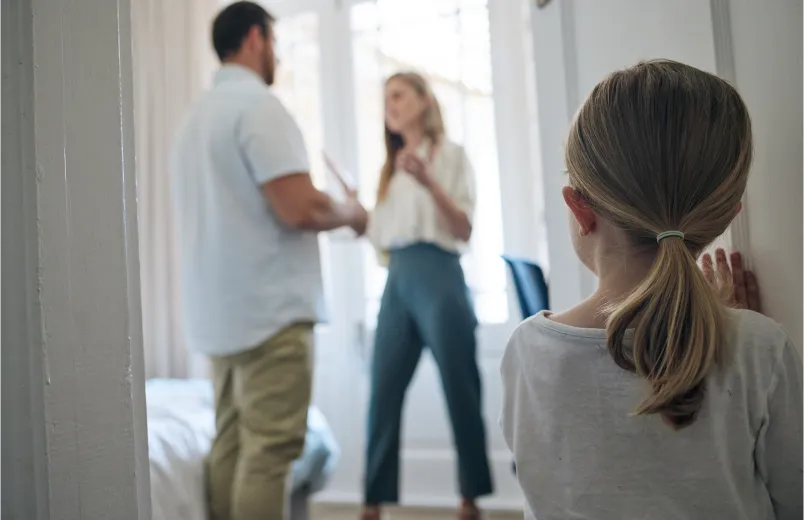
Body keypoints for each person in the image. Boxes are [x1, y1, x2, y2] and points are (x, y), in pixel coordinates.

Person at [500, 60, 804, 520]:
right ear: (727, 214)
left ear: (579, 210)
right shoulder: (758, 348)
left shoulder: (527, 351)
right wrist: (733, 331)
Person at [171, 3, 367, 520]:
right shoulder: (258, 108)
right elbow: (298, 207)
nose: (276, 54)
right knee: (270, 452)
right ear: (256, 38)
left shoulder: (193, 121)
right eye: (275, 43)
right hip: (269, 314)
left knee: (231, 446)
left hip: (218, 315)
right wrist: (351, 212)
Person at [356, 71, 493, 520]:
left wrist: (428, 181)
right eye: (385, 99)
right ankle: (372, 503)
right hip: (398, 278)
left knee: (460, 385)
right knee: (382, 390)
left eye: (397, 95)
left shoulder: (451, 156)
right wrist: (356, 214)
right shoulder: (389, 169)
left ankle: (470, 500)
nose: (389, 105)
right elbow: (379, 237)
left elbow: (464, 228)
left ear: (422, 100)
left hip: (440, 274)